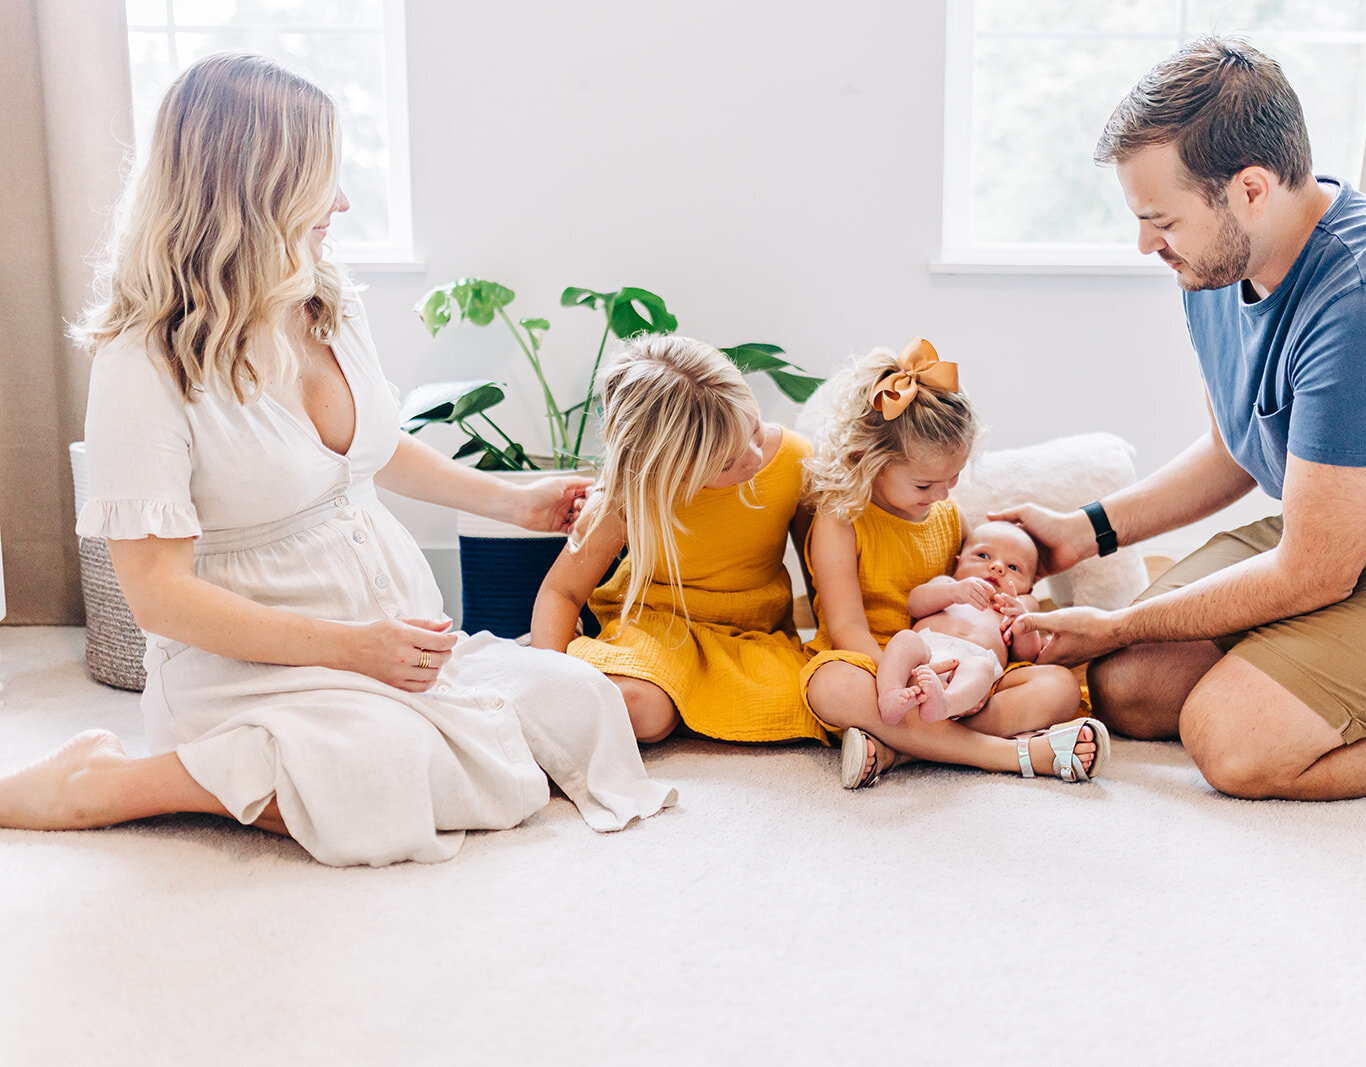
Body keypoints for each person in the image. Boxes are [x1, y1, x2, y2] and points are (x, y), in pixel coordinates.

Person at [0, 53, 675, 866]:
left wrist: (516, 503)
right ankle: (110, 781)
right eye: (324, 177)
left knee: (585, 703)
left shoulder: (322, 297)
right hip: (248, 673)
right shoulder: (143, 361)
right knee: (386, 766)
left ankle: (341, 751)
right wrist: (351, 648)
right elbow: (158, 598)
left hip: (390, 645)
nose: (344, 201)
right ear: (255, 185)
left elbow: (371, 450)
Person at [1002, 37, 1366, 801]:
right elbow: (1234, 448)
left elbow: (1313, 571)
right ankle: (1358, 675)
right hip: (1356, 526)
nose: (1146, 244)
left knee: (1237, 741)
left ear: (1251, 189)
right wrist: (1086, 530)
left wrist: (1115, 621)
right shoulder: (1219, 262)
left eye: (1162, 220)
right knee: (1130, 687)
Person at [801, 338, 1108, 788]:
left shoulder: (948, 514)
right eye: (926, 485)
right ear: (869, 461)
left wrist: (1014, 619)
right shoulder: (841, 518)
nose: (943, 495)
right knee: (828, 686)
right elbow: (847, 628)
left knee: (1059, 687)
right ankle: (1016, 755)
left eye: (954, 479)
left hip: (960, 674)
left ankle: (895, 750)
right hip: (876, 667)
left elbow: (974, 599)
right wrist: (904, 673)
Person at [530, 335, 826, 744]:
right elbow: (561, 592)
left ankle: (691, 705)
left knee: (818, 700)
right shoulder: (631, 493)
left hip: (753, 638)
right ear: (669, 469)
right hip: (656, 630)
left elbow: (822, 576)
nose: (754, 459)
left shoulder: (795, 459)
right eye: (726, 462)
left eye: (754, 431)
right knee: (638, 708)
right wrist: (553, 678)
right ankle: (683, 704)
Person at [876, 520, 1050, 725]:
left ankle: (946, 703)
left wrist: (1020, 621)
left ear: (1029, 587)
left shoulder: (1019, 604)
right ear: (958, 564)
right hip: (925, 652)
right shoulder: (949, 584)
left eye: (1013, 567)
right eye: (983, 556)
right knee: (905, 640)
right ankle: (891, 696)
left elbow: (1027, 655)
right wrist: (953, 592)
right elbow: (915, 604)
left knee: (981, 667)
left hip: (972, 663)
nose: (997, 567)